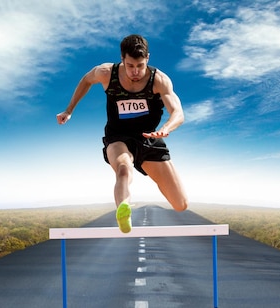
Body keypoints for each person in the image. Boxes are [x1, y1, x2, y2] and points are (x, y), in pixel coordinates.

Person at [57, 34, 188, 233]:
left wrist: (165, 129)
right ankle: (123, 210)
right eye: (130, 65)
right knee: (123, 168)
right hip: (118, 136)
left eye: (140, 66)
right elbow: (86, 80)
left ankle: (135, 199)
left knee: (181, 204)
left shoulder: (159, 80)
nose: (135, 72)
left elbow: (178, 112)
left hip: (149, 138)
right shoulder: (106, 73)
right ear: (122, 59)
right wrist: (69, 110)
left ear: (148, 59)